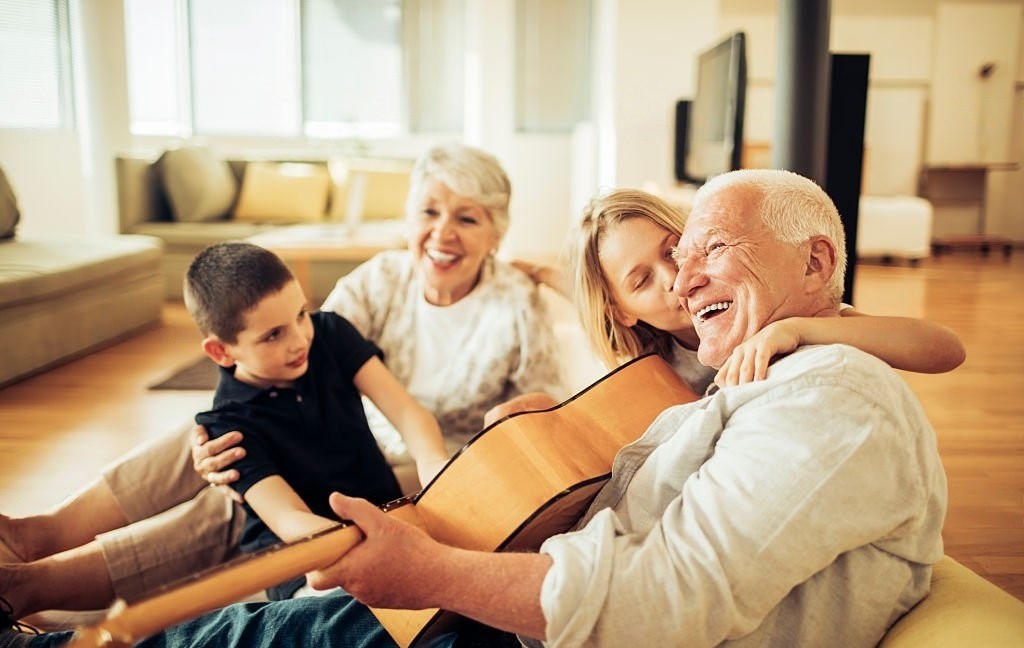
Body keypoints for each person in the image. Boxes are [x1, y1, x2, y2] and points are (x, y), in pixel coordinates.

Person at [1, 168, 949, 647]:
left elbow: (929, 347)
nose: (683, 276)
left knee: (279, 588)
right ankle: (43, 548)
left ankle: (47, 587)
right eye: (660, 269)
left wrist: (809, 332)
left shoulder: (820, 381)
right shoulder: (380, 285)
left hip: (439, 487)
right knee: (224, 454)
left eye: (699, 251)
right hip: (449, 485)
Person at [0, 144, 564, 623]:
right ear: (409, 217)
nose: (443, 233)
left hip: (426, 470)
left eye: (468, 218)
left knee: (236, 503)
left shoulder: (518, 308)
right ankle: (44, 535)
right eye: (429, 212)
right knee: (214, 440)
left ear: (496, 233)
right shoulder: (382, 278)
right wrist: (213, 452)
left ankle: (43, 585)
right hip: (331, 433)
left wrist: (448, 484)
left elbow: (528, 431)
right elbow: (281, 358)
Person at [486, 187, 964, 422]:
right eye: (643, 280)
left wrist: (797, 331)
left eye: (673, 250)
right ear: (622, 311)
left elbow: (944, 349)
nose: (676, 280)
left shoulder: (776, 313)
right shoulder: (651, 365)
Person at [186, 241, 449, 600]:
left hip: (381, 512)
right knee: (349, 607)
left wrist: (436, 467)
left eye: (301, 314)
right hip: (304, 554)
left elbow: (406, 413)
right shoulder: (227, 426)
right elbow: (290, 520)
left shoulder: (329, 334)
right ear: (221, 351)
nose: (300, 339)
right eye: (273, 334)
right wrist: (376, 544)